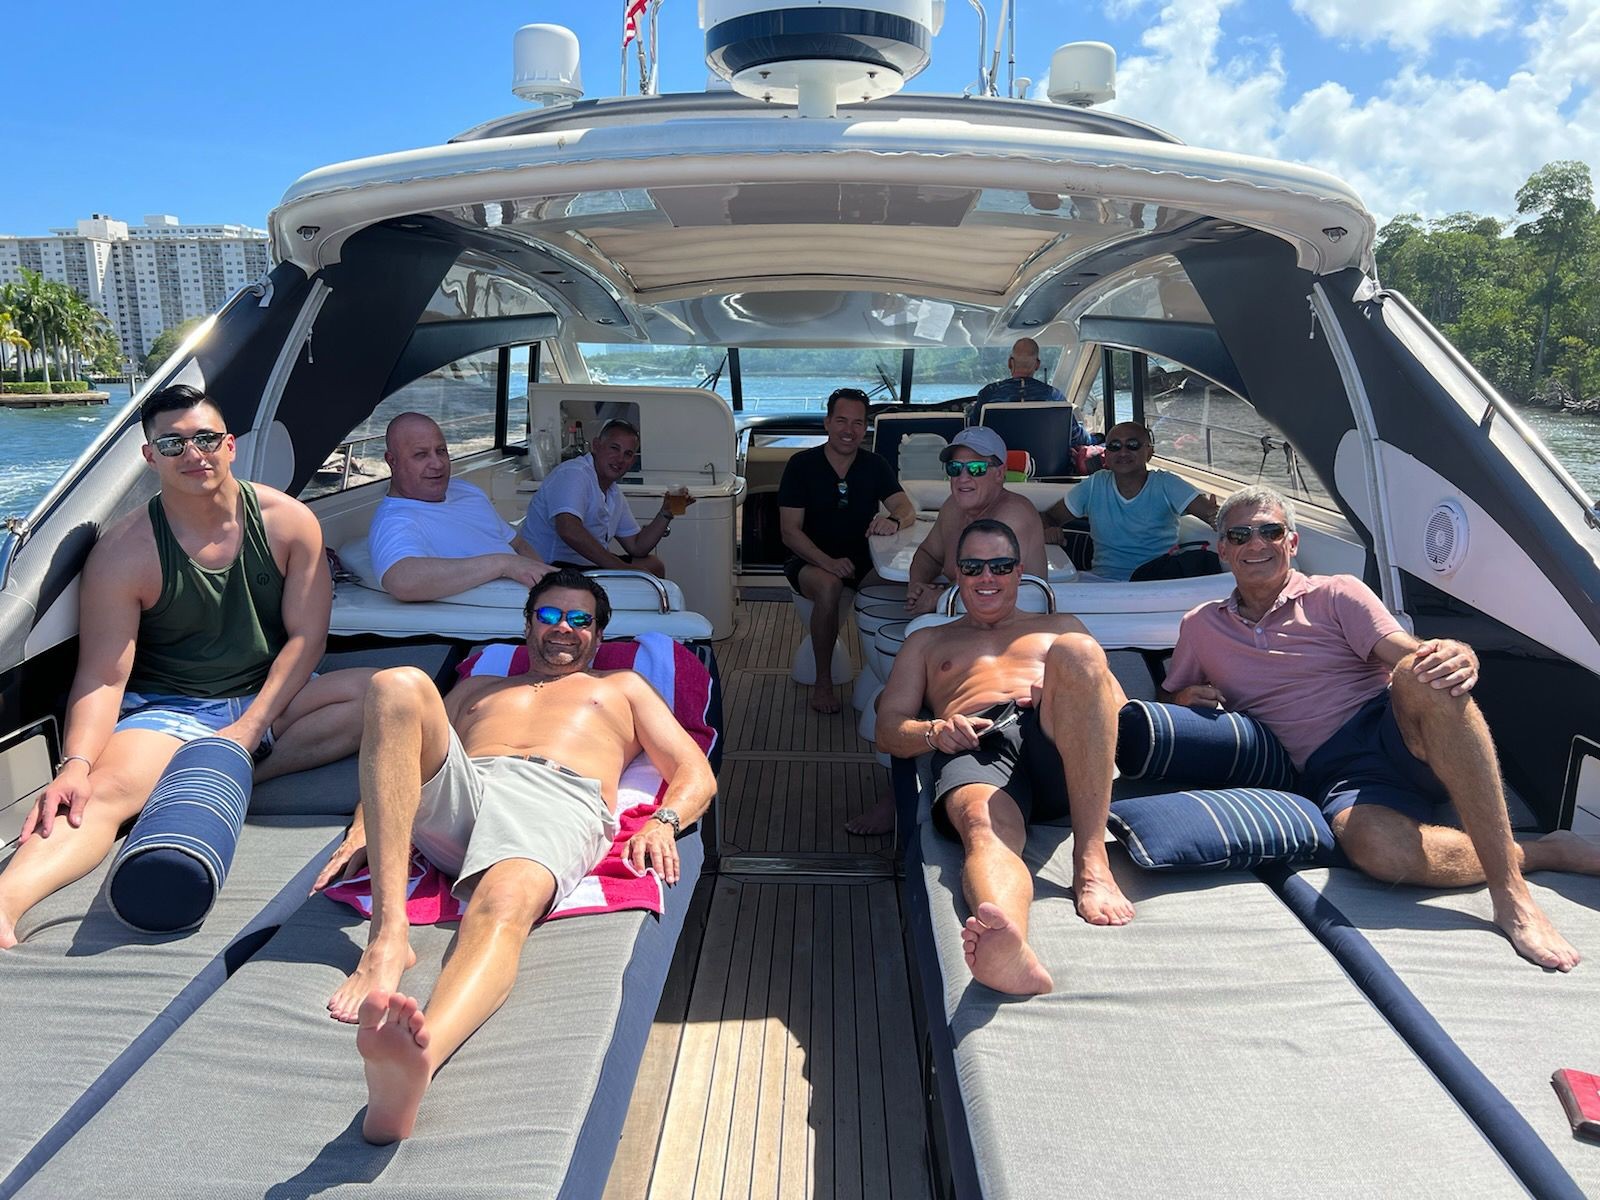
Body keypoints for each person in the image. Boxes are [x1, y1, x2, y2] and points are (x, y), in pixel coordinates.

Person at [315, 571, 715, 1143]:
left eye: (580, 620)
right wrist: (363, 829)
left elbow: (695, 771)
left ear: (598, 635)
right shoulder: (478, 689)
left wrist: (663, 821)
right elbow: (398, 753)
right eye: (549, 616)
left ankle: (417, 1063)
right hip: (465, 787)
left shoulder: (623, 686)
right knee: (396, 684)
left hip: (554, 796)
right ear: (527, 626)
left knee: (503, 902)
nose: (563, 629)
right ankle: (388, 939)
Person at [1163, 485, 1600, 971]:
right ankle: (1544, 852)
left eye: (1271, 531)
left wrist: (1454, 652)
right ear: (1223, 549)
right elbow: (1170, 695)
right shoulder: (1201, 627)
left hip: (1391, 728)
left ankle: (1511, 895)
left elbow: (1408, 654)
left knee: (1424, 672)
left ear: (1293, 542)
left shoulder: (1336, 593)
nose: (1256, 543)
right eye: (1240, 535)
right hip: (1339, 773)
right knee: (1378, 852)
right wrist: (1181, 698)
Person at [0, 384, 373, 948]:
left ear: (230, 445)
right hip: (171, 710)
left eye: (205, 439)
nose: (193, 453)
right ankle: (6, 901)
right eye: (172, 444)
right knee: (94, 797)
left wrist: (249, 727)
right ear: (150, 457)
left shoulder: (289, 523)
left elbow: (307, 639)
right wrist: (75, 764)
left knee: (384, 695)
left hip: (272, 696)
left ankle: (229, 773)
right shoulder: (124, 551)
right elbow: (104, 676)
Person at [876, 519, 1133, 995]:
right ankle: (1008, 944)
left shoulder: (1061, 627)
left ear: (1019, 571)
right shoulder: (927, 641)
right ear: (957, 573)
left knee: (1077, 652)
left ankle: (1091, 860)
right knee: (982, 824)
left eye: (999, 565)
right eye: (973, 567)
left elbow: (1117, 711)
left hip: (1057, 736)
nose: (987, 577)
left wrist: (1058, 693)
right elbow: (888, 728)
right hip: (979, 740)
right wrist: (934, 732)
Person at [778, 386, 917, 713]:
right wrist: (827, 562)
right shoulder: (801, 465)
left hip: (861, 561)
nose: (849, 430)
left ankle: (898, 676)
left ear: (865, 428)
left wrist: (894, 520)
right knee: (830, 586)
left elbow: (905, 508)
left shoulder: (874, 465)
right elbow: (789, 532)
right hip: (809, 561)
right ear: (827, 423)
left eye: (857, 423)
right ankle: (823, 683)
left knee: (911, 584)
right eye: (841, 421)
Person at [368, 412, 552, 601]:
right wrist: (503, 564)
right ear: (392, 461)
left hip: (541, 603)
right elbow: (402, 581)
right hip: (497, 613)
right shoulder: (395, 520)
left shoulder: (466, 491)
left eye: (441, 451)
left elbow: (518, 544)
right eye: (421, 455)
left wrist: (552, 587)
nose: (437, 464)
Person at [1041, 421, 1219, 580]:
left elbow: (1215, 516)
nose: (1123, 452)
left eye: (1132, 445)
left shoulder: (1167, 484)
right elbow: (1049, 517)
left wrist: (1218, 519)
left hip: (1157, 583)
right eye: (1115, 446)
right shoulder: (1095, 484)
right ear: (1106, 454)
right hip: (1102, 581)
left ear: (1149, 452)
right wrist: (1049, 530)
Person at [903, 427, 1048, 616]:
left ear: (999, 473)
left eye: (976, 468)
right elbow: (928, 554)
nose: (963, 478)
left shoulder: (1014, 515)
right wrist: (917, 586)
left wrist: (937, 598)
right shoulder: (953, 506)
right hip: (965, 617)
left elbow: (987, 581)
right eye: (955, 468)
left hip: (1012, 625)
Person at [523, 418, 679, 578]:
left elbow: (637, 546)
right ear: (596, 446)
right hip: (550, 567)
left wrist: (666, 513)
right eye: (614, 448)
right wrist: (619, 567)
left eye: (627, 454)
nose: (620, 459)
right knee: (642, 576)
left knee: (654, 566)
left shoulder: (613, 493)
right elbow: (568, 529)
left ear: (632, 461)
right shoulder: (574, 474)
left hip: (582, 566)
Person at [974, 337, 1091, 447]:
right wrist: (1095, 438)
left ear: (1010, 363)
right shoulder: (1054, 397)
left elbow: (972, 429)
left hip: (1000, 460)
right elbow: (1076, 437)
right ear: (1037, 365)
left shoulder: (989, 394)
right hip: (1046, 462)